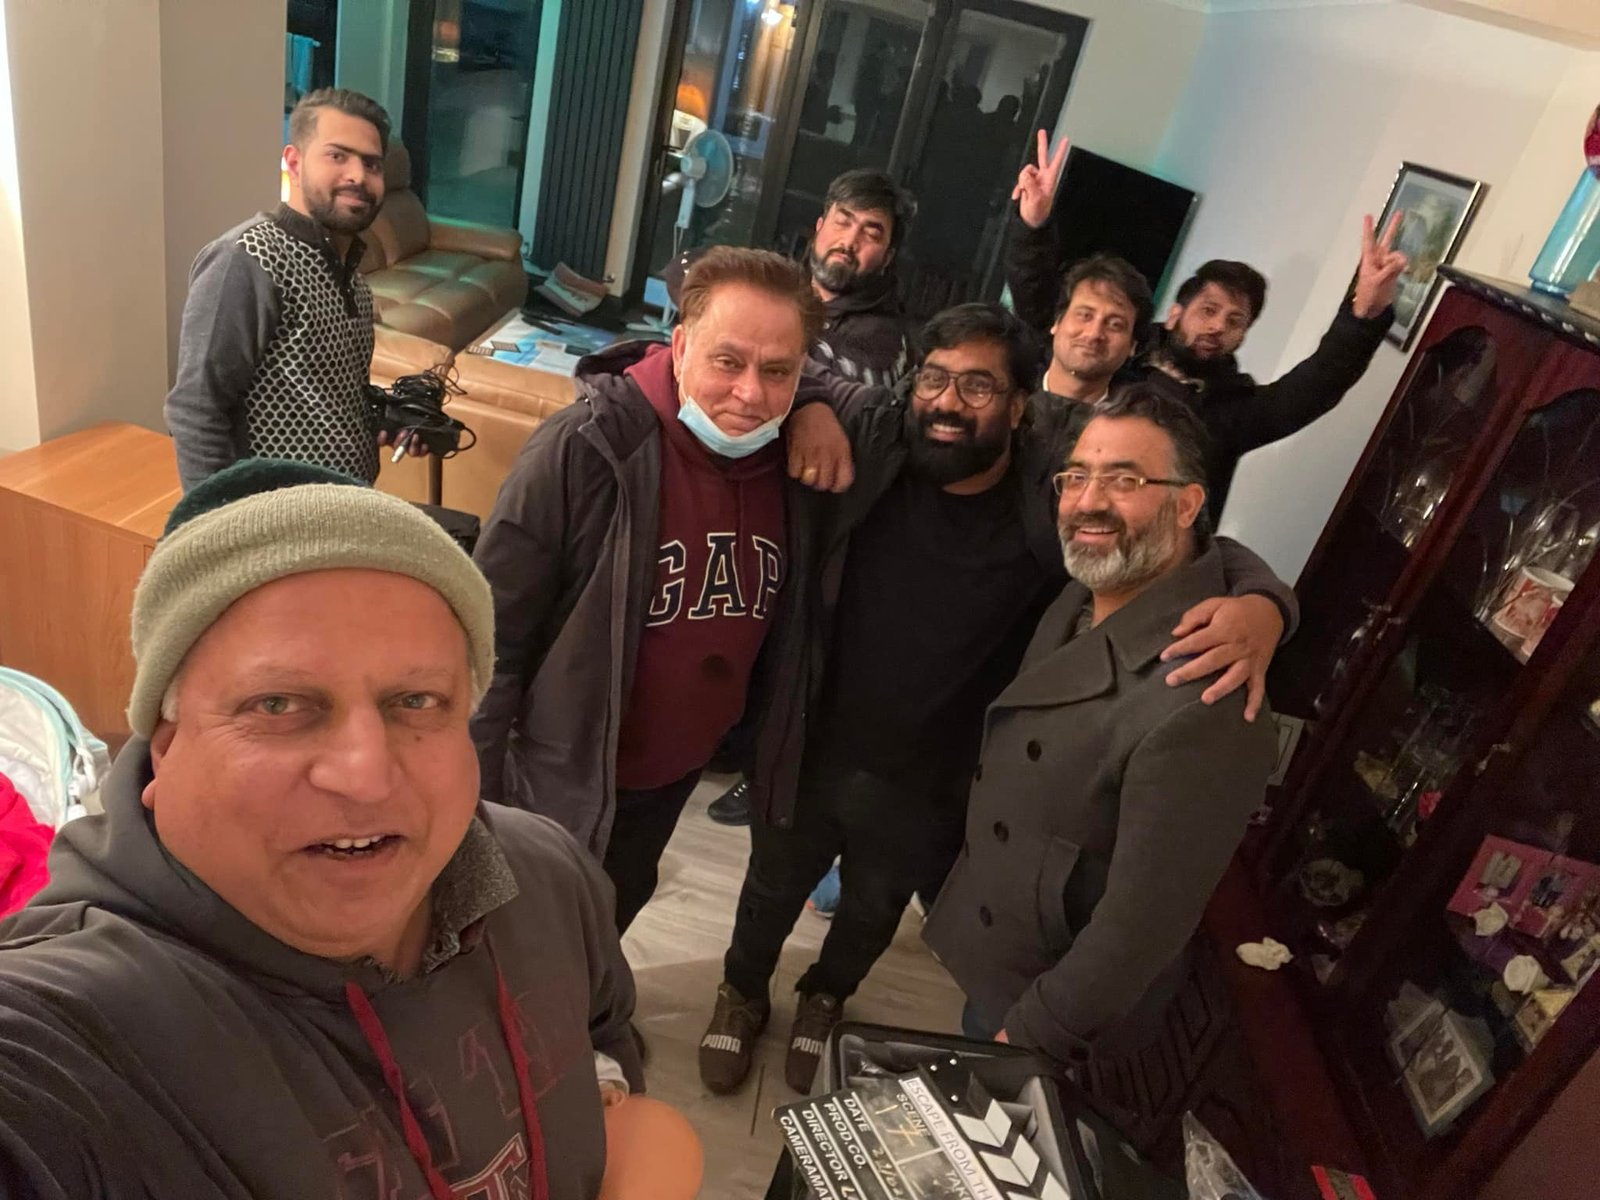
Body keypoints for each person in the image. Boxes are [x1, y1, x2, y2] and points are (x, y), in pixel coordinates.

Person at [0, 460, 703, 1199]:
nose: (366, 777)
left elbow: (600, 1048)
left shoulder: (546, 872)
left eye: (417, 700)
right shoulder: (76, 1035)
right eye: (277, 705)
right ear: (166, 747)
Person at [699, 305, 1296, 1096]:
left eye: (978, 386)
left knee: (872, 911)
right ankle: (741, 992)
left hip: (933, 780)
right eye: (935, 378)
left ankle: (825, 997)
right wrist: (809, 405)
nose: (948, 402)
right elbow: (786, 373)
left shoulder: (1049, 507)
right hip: (811, 745)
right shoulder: (875, 448)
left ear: (1021, 407)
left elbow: (1174, 523)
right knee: (769, 889)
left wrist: (1266, 602)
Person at [471, 247, 825, 935]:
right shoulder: (582, 448)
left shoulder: (792, 466)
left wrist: (818, 408)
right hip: (558, 778)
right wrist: (473, 807)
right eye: (728, 362)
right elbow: (489, 640)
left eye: (778, 372)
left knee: (611, 920)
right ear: (681, 346)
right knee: (528, 942)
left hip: (672, 777)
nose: (751, 394)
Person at [923, 383, 1277, 1072]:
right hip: (1004, 955)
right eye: (1077, 477)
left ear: (1187, 505)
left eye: (1124, 480)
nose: (1088, 501)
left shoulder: (1206, 700)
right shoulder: (1083, 596)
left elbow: (1140, 928)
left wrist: (1034, 1035)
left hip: (1055, 1011)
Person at [1006, 129, 1409, 516]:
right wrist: (1033, 226)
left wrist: (1363, 315)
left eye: (1235, 321)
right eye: (1209, 310)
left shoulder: (1234, 413)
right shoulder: (1123, 353)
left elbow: (1318, 384)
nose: (1218, 327)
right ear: (1176, 313)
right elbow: (1040, 307)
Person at [706, 169, 919, 828]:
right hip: (725, 488)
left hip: (809, 517)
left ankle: (758, 766)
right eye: (844, 222)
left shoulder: (883, 339)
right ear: (820, 225)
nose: (852, 240)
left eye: (872, 232)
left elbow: (865, 416)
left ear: (887, 253)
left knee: (783, 648)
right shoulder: (773, 295)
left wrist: (810, 398)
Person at [164, 88, 421, 492]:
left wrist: (387, 419)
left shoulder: (353, 277)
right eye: (337, 156)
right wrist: (220, 521)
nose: (358, 175)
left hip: (346, 503)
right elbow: (196, 409)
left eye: (371, 164)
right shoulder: (247, 258)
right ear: (294, 163)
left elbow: (321, 399)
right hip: (276, 512)